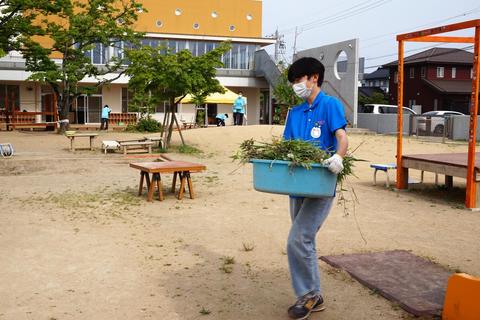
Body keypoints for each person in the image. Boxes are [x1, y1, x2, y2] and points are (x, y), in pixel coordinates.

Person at [283, 57, 348, 320]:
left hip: (320, 185)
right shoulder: (295, 112)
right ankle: (315, 295)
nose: (296, 85)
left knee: (297, 239)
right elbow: (286, 146)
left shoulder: (330, 105)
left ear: (314, 78)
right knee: (304, 241)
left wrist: (339, 158)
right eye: (294, 82)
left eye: (299, 80)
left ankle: (308, 295)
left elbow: (342, 137)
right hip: (297, 185)